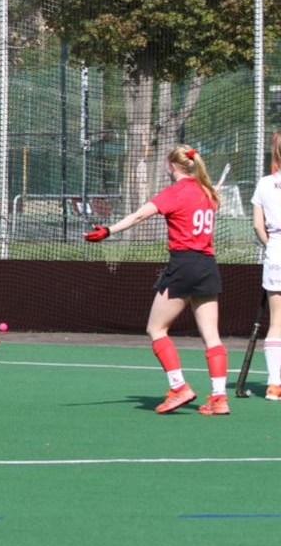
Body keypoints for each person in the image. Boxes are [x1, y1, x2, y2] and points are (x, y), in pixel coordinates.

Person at [85, 144, 230, 415]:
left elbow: (140, 215)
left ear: (172, 166)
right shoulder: (208, 192)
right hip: (208, 265)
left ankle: (179, 387)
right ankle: (219, 398)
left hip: (184, 264)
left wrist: (108, 230)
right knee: (212, 335)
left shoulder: (176, 192)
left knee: (156, 328)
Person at [251, 130, 281, 401]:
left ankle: (274, 385)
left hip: (275, 253)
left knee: (276, 323)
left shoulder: (263, 183)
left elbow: (259, 226)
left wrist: (271, 246)